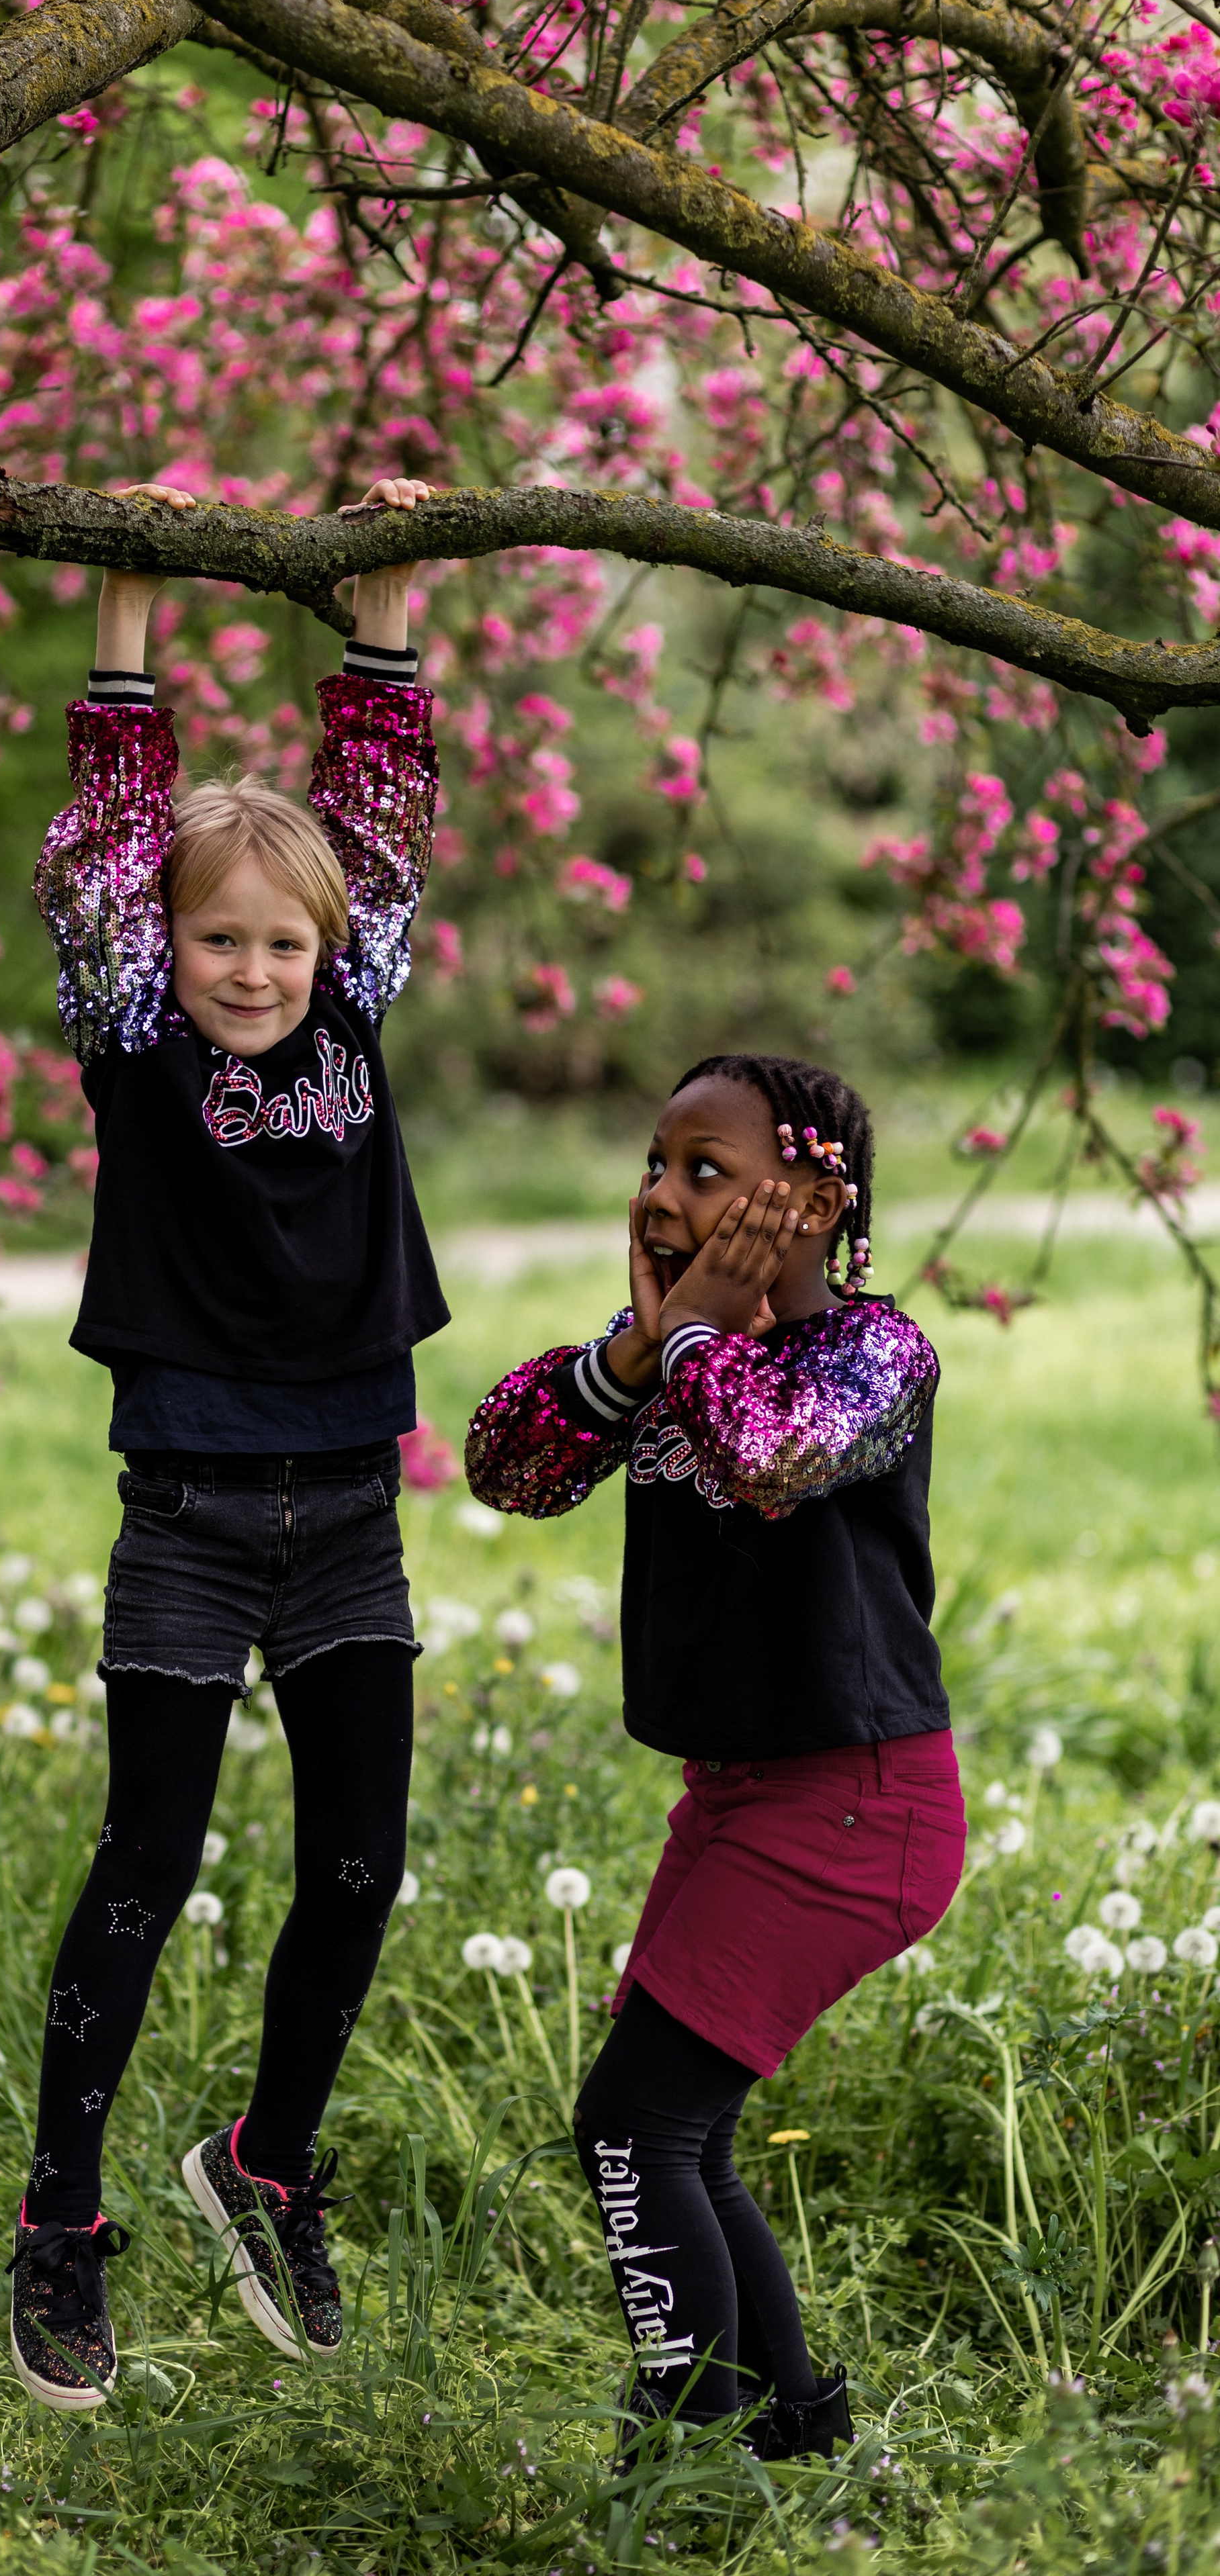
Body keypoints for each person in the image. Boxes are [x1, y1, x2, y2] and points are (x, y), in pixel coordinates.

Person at [9, 476, 448, 2411]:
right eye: (218, 943)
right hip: (188, 1515)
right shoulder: (135, 1032)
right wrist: (125, 626)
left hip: (352, 1513)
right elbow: (110, 851)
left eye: (281, 942)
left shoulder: (357, 1003)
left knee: (359, 1867)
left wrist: (390, 610)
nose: (254, 970)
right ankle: (60, 2222)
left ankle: (264, 2167)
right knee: (148, 1862)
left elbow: (389, 816)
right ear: (163, 950)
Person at [465, 1054, 965, 2461]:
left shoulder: (876, 1354)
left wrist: (685, 1337)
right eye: (654, 1160)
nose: (658, 1192)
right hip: (740, 1795)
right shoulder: (659, 1353)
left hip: (855, 1805)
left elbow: (768, 1456)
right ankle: (790, 2437)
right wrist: (632, 1353)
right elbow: (505, 1469)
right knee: (675, 2132)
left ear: (811, 1202)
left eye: (704, 1168)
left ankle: (683, 2443)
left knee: (629, 2121)